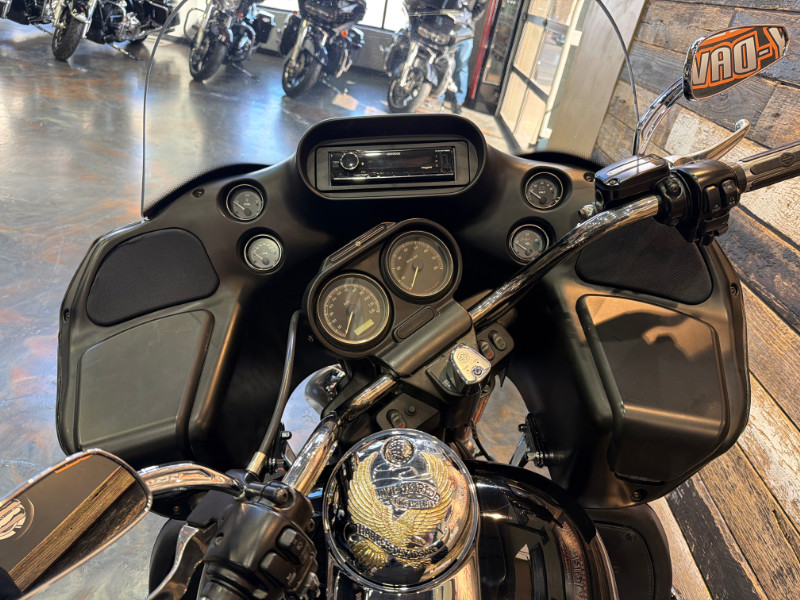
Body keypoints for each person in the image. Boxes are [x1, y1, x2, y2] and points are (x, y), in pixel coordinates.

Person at [444, 0, 488, 115]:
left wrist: (470, 18)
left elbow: (481, 6)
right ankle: (439, 96)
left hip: (465, 30)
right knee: (441, 60)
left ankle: (458, 102)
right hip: (447, 24)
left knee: (462, 65)